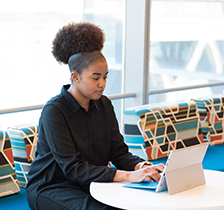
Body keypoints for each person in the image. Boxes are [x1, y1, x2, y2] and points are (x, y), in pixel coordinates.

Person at [26, 21, 164, 210]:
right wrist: (127, 176)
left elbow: (118, 152)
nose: (102, 84)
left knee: (141, 202)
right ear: (75, 77)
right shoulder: (54, 111)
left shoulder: (104, 105)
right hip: (52, 187)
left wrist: (143, 167)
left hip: (92, 183)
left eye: (105, 76)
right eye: (96, 77)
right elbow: (72, 168)